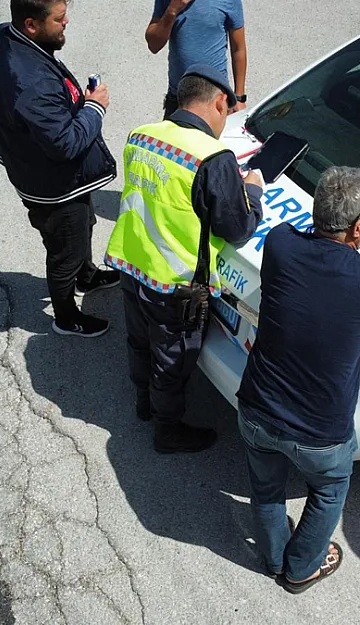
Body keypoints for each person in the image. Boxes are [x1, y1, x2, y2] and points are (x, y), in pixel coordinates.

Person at [236, 166, 360, 593]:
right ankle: (301, 567)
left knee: (266, 487)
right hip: (319, 433)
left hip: (256, 408)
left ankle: (272, 558)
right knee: (329, 489)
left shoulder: (281, 243)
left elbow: (319, 291)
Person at [105, 64, 263, 453]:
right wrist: (253, 193)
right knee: (172, 362)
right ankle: (167, 430)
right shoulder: (214, 157)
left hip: (131, 263)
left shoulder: (141, 135)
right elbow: (237, 226)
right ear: (221, 102)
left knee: (139, 342)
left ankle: (144, 404)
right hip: (174, 285)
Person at [0, 0, 121, 338]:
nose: (66, 22)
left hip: (48, 171)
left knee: (83, 222)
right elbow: (67, 144)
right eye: (59, 19)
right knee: (64, 250)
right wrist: (93, 107)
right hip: (53, 187)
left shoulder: (0, 37)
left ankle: (86, 276)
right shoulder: (33, 84)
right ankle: (66, 316)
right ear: (31, 24)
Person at [145, 0, 248, 119]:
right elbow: (153, 45)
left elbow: (238, 49)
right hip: (178, 99)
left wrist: (239, 98)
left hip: (213, 100)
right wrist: (172, 10)